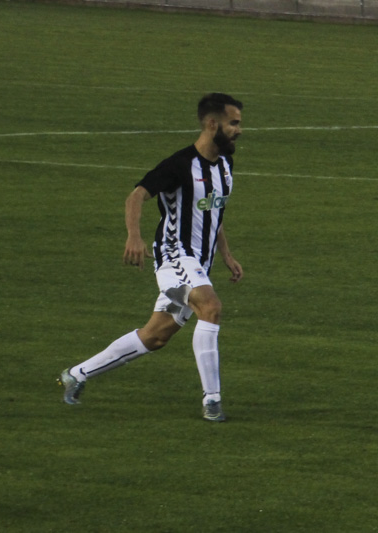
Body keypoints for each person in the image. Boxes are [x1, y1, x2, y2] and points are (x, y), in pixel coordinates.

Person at [58, 93, 245, 422]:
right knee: (211, 307)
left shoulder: (225, 165)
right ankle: (212, 401)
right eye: (234, 123)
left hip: (199, 264)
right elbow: (136, 196)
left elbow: (213, 212)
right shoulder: (179, 165)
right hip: (174, 258)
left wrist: (226, 253)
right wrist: (133, 235)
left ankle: (77, 373)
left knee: (156, 335)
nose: (239, 130)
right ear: (212, 124)